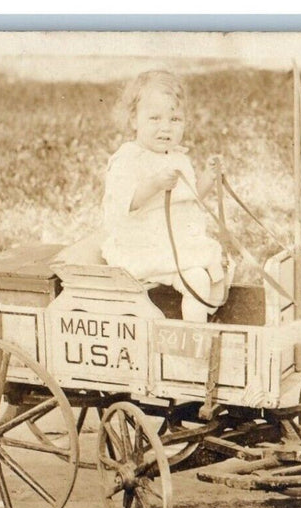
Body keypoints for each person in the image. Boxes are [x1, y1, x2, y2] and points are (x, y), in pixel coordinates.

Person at [100, 70, 229, 322]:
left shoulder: (177, 157)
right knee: (197, 274)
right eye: (155, 118)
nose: (165, 128)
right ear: (134, 120)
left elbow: (190, 198)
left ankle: (194, 337)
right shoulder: (128, 158)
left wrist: (209, 177)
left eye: (175, 119)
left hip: (173, 247)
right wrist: (155, 184)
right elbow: (128, 202)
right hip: (141, 248)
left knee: (199, 280)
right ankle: (192, 338)